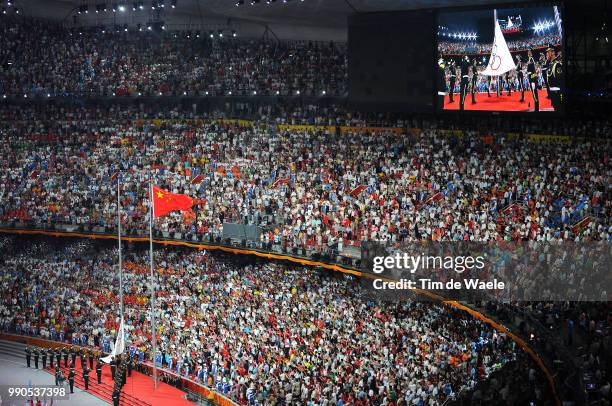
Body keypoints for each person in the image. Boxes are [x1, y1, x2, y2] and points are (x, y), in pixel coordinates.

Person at [546, 47, 562, 111]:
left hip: (557, 93)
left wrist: (560, 94)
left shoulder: (557, 64)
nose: (547, 54)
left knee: (559, 109)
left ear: (553, 53)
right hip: (553, 92)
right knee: (555, 108)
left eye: (548, 52)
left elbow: (560, 80)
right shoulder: (551, 64)